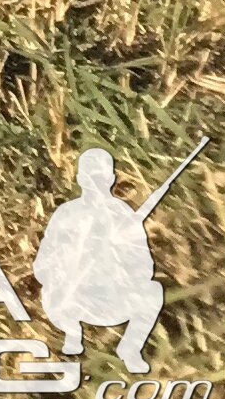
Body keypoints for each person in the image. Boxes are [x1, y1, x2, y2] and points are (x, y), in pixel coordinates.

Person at [35, 149, 167, 373]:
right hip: (72, 300)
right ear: (80, 179)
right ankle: (72, 333)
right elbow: (42, 265)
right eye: (91, 177)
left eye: (100, 177)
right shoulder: (66, 214)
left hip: (112, 299)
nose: (95, 183)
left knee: (153, 291)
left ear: (111, 179)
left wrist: (117, 260)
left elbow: (144, 266)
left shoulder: (123, 215)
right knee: (51, 293)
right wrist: (69, 266)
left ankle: (130, 348)